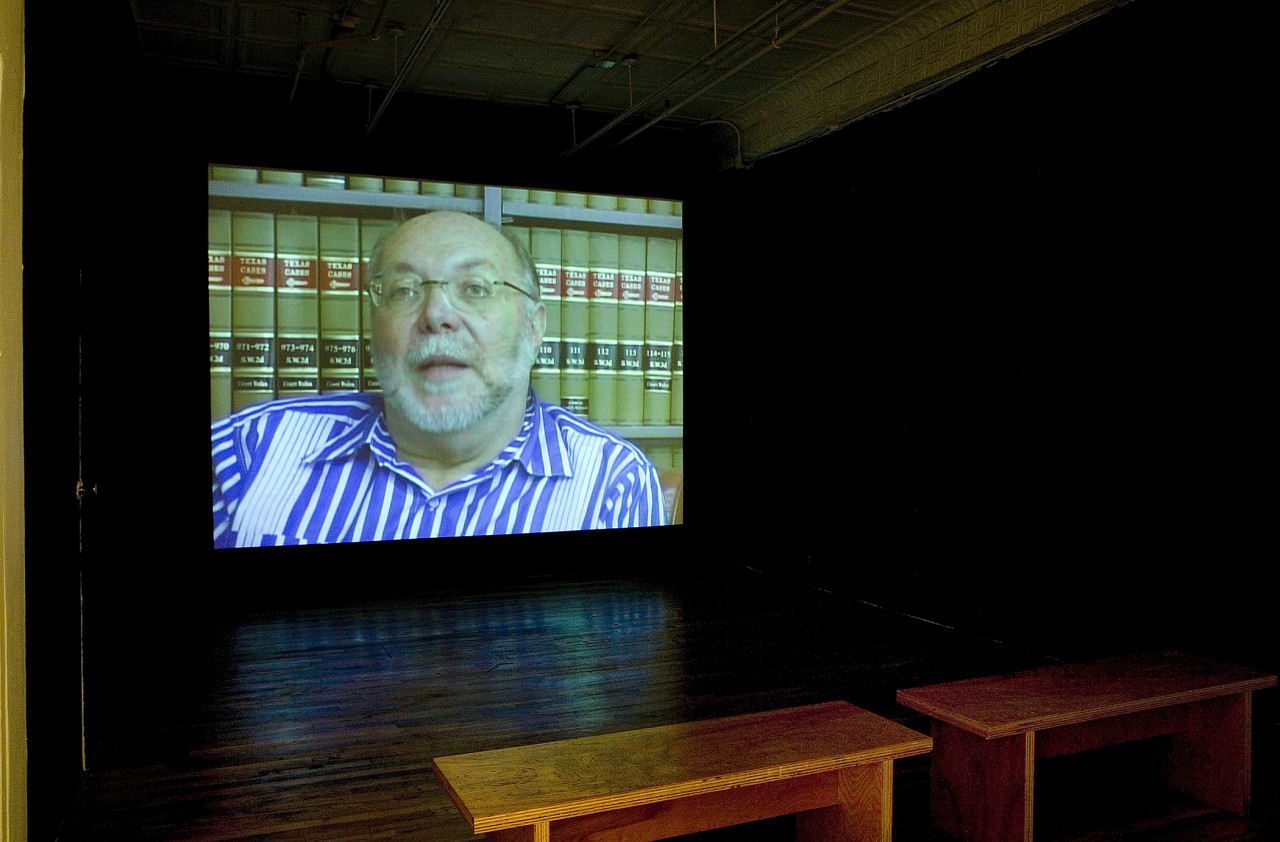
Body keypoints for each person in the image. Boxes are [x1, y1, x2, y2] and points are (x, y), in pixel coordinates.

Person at [212, 211, 666, 547]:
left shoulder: (613, 484)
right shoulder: (248, 449)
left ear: (533, 328)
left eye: (475, 288)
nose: (435, 315)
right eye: (404, 291)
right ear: (373, 326)